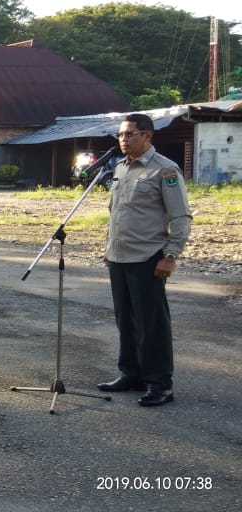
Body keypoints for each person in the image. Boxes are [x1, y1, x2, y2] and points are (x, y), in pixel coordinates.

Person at [96, 113, 192, 408]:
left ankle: (160, 383)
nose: (123, 140)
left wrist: (171, 255)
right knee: (126, 320)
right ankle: (131, 374)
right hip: (119, 257)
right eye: (121, 135)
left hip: (147, 258)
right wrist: (109, 247)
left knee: (152, 324)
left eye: (129, 134)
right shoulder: (121, 169)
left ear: (147, 136)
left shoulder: (165, 170)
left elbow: (181, 217)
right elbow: (117, 214)